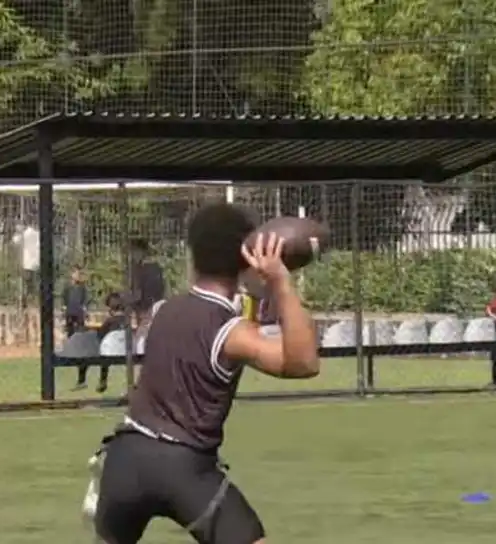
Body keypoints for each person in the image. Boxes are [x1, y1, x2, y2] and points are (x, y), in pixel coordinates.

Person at [87, 203, 321, 544]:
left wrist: (254, 289)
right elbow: (304, 363)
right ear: (246, 256)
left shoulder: (163, 311)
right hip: (182, 468)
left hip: (124, 458)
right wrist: (282, 283)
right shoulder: (229, 330)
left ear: (194, 255)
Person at [74, 292, 125, 393]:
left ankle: (83, 380)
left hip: (110, 352)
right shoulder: (126, 320)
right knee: (105, 353)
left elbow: (100, 335)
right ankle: (102, 381)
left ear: (110, 308)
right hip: (124, 351)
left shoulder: (109, 321)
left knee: (89, 353)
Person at [128, 239, 166, 334]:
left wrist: (131, 306)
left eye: (134, 251)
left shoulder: (141, 269)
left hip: (144, 309)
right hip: (154, 307)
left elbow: (137, 293)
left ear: (141, 251)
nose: (132, 255)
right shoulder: (156, 267)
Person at [63, 265, 90, 338]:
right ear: (72, 274)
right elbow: (64, 297)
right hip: (70, 310)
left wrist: (85, 308)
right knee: (70, 331)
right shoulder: (67, 286)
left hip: (79, 311)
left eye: (78, 274)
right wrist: (64, 307)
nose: (77, 275)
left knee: (80, 330)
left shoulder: (82, 286)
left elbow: (85, 298)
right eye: (75, 273)